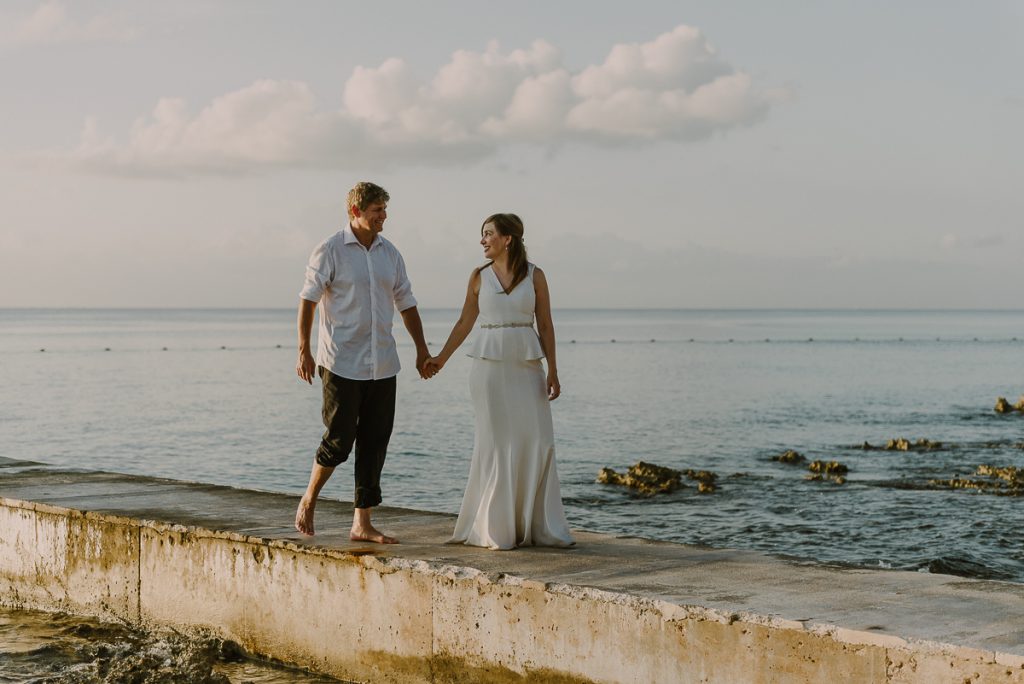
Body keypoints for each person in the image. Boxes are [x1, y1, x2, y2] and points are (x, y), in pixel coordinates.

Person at [425, 213, 574, 550]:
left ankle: (538, 526)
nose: (482, 240)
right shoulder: (478, 277)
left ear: (508, 238)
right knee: (494, 444)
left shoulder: (536, 276)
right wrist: (441, 358)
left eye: (488, 234)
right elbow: (465, 322)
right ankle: (496, 527)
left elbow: (546, 325)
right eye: (482, 235)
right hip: (488, 369)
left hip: (527, 366)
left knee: (537, 440)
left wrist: (554, 370)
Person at [294, 181, 432, 544]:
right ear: (356, 211)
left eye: (385, 211)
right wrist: (303, 350)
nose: (384, 218)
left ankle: (362, 522)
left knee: (375, 443)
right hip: (341, 361)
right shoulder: (330, 250)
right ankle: (309, 499)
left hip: (383, 363)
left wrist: (421, 349)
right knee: (339, 440)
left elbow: (407, 302)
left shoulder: (391, 253)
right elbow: (308, 300)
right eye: (377, 212)